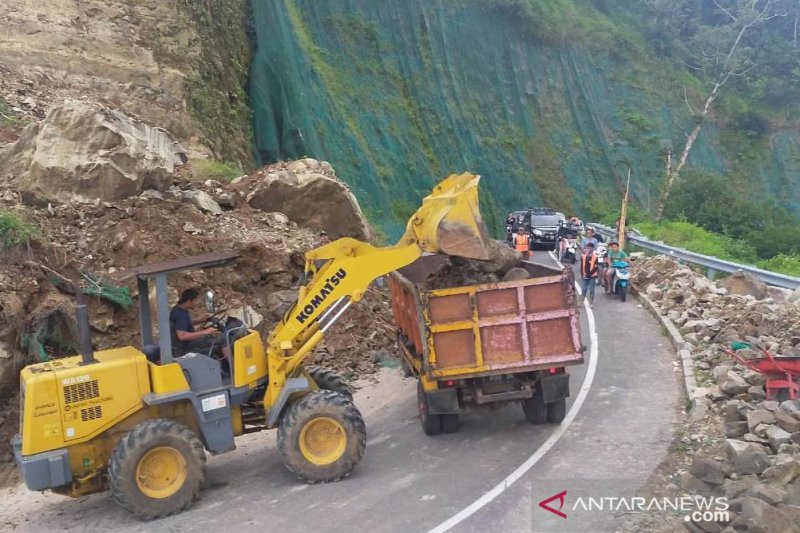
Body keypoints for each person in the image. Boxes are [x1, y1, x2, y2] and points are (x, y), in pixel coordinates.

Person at [170, 288, 226, 358]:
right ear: (190, 300)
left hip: (183, 344)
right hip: (185, 347)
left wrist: (200, 320)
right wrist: (205, 332)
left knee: (215, 335)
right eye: (196, 300)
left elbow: (182, 324)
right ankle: (232, 364)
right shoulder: (180, 314)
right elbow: (182, 336)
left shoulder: (178, 309)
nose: (197, 303)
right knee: (223, 338)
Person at [579, 242, 598, 307]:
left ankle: (591, 303)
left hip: (592, 276)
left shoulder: (595, 257)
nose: (589, 249)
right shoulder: (583, 256)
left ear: (593, 249)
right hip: (585, 275)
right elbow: (581, 266)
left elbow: (595, 268)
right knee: (583, 289)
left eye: (590, 248)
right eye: (587, 248)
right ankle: (581, 302)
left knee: (591, 289)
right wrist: (582, 274)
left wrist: (589, 275)